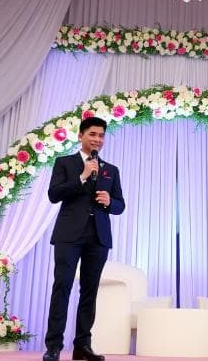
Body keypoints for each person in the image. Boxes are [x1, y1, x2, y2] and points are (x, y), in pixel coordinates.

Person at [43, 117, 125, 361]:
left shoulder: (111, 170)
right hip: (69, 235)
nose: (97, 139)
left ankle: (82, 346)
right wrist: (81, 177)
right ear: (81, 136)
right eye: (92, 134)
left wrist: (111, 203)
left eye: (101, 135)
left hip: (98, 237)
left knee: (89, 291)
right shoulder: (65, 163)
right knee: (62, 287)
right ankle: (54, 346)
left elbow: (120, 205)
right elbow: (54, 194)